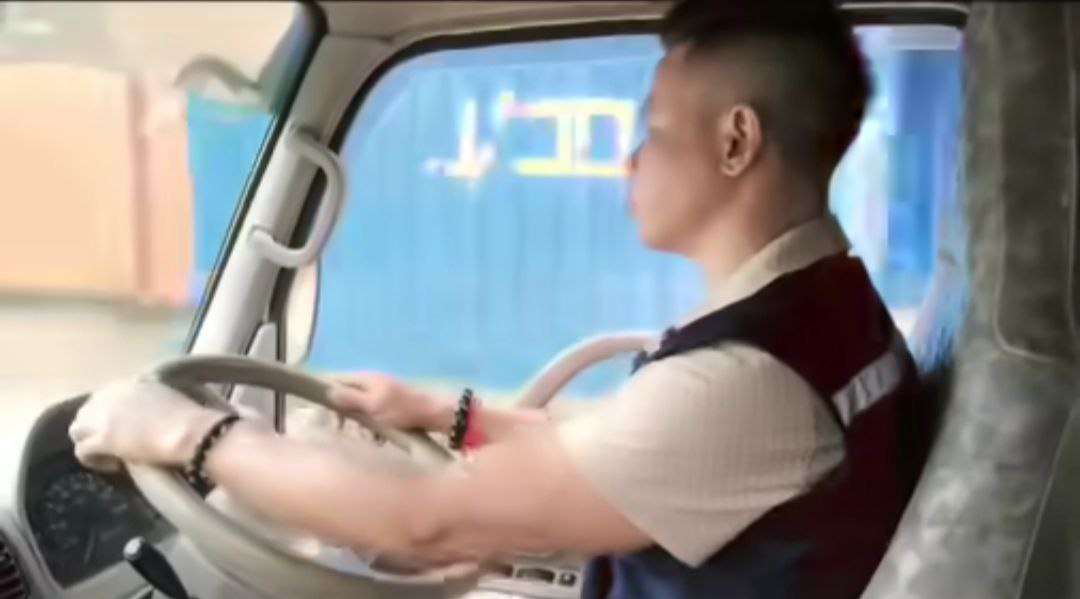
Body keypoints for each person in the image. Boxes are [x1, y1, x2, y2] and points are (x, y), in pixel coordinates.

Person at [68, 1, 932, 597]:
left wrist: (181, 431)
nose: (632, 158)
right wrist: (441, 413)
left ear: (737, 141)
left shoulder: (745, 383)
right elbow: (618, 451)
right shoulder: (831, 312)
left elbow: (422, 522)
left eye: (657, 130)